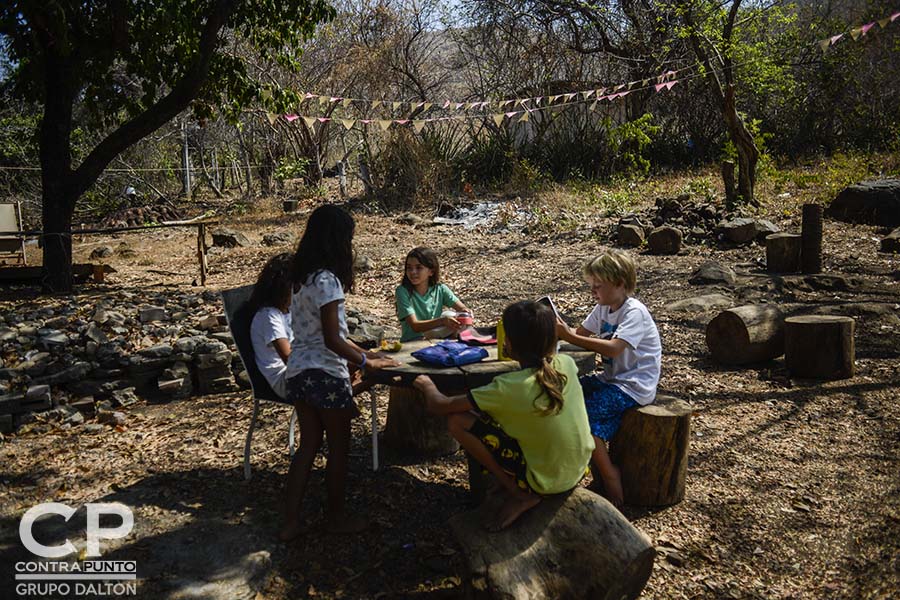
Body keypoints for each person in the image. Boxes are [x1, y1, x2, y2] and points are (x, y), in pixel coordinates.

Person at [413, 301, 594, 531]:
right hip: (577, 470)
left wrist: (425, 383)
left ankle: (519, 493)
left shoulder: (507, 387)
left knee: (458, 421)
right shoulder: (566, 364)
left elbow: (440, 405)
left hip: (544, 482)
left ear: (508, 342)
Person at [281, 204, 399, 541]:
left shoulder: (301, 279)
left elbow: (322, 335)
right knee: (338, 448)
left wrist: (367, 352)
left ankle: (290, 521)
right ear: (338, 241)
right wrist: (366, 364)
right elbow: (333, 340)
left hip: (299, 371)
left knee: (308, 446)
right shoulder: (328, 281)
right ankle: (335, 516)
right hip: (325, 375)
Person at [555, 249, 661, 508]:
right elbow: (581, 334)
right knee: (566, 391)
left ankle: (610, 474)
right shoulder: (603, 308)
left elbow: (613, 348)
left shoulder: (634, 312)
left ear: (620, 283)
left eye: (598, 286)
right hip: (611, 379)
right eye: (591, 286)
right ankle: (587, 458)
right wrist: (556, 331)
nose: (593, 292)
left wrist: (569, 336)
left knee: (586, 415)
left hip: (634, 386)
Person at [396, 246, 472, 342]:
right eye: (409, 268)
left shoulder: (440, 289)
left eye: (419, 268)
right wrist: (443, 321)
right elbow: (415, 326)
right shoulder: (403, 292)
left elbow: (462, 308)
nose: (413, 272)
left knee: (454, 317)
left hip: (435, 340)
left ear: (431, 271)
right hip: (412, 342)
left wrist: (465, 313)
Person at [249, 252, 294, 400]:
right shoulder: (269, 316)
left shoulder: (289, 311)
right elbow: (288, 357)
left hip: (300, 370)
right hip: (284, 379)